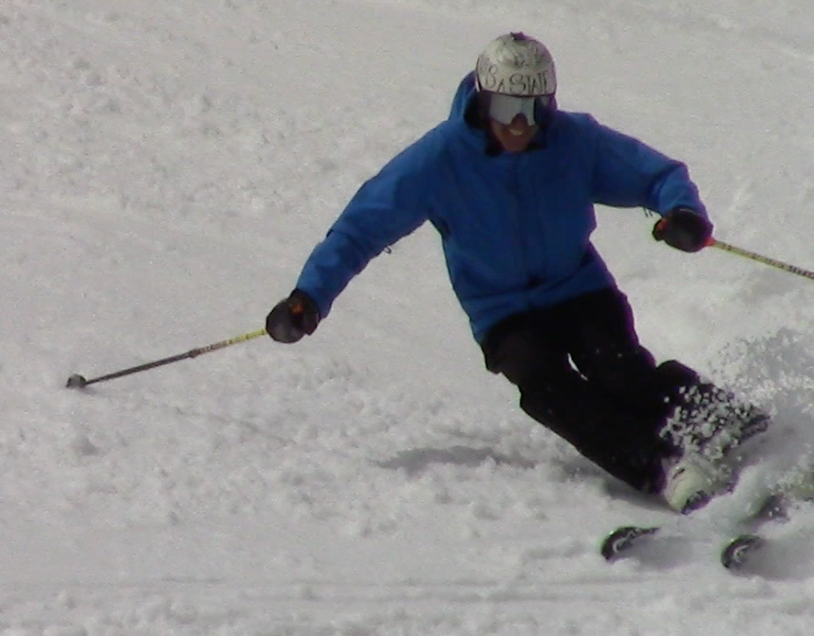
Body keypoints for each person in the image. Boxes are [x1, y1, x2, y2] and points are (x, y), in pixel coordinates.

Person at [265, 32, 766, 514]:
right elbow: (359, 230)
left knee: (619, 369)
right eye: (508, 109)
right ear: (483, 104)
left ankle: (729, 427)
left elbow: (657, 175)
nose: (521, 125)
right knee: (547, 389)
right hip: (502, 312)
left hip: (578, 288)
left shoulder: (573, 140)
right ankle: (664, 469)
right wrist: (309, 296)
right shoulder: (438, 160)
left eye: (534, 109)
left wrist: (683, 214)